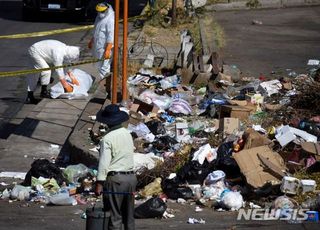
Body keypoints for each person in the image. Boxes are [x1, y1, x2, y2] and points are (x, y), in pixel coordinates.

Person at [95, 104, 137, 230]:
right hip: (131, 178)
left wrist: (99, 183)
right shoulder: (127, 134)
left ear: (107, 122)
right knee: (129, 216)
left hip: (116, 180)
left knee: (115, 216)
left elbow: (104, 162)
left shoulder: (107, 138)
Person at [26, 39, 80, 104]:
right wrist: (65, 85)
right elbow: (59, 69)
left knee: (46, 71)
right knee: (46, 71)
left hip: (42, 52)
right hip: (35, 51)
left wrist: (72, 77)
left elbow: (67, 63)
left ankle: (40, 87)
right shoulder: (58, 54)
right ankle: (43, 92)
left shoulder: (65, 49)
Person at [88, 2, 114, 80]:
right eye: (99, 11)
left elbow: (111, 35)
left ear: (107, 10)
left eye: (102, 11)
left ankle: (104, 83)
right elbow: (96, 30)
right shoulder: (99, 17)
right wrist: (91, 41)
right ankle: (100, 80)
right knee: (98, 65)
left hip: (105, 47)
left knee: (104, 67)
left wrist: (108, 49)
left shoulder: (111, 20)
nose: (100, 13)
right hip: (98, 45)